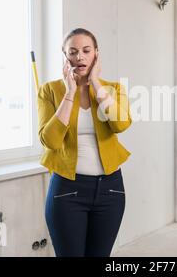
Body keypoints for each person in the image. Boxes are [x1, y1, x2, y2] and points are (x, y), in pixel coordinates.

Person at [37, 28, 132, 257]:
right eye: (73, 51)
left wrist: (96, 84)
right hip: (67, 191)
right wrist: (70, 91)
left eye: (86, 50)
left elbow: (121, 124)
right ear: (65, 56)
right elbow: (50, 140)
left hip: (110, 190)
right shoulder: (50, 90)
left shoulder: (114, 88)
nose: (79, 56)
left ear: (96, 55)